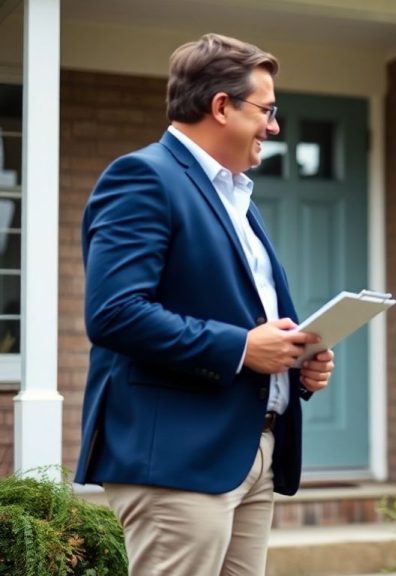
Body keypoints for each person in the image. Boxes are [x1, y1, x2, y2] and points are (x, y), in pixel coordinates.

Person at [74, 33, 335, 576]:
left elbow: (238, 314)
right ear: (221, 107)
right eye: (267, 110)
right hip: (178, 458)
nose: (274, 127)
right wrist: (242, 348)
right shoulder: (143, 177)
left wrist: (293, 362)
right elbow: (114, 313)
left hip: (252, 452)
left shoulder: (237, 197)